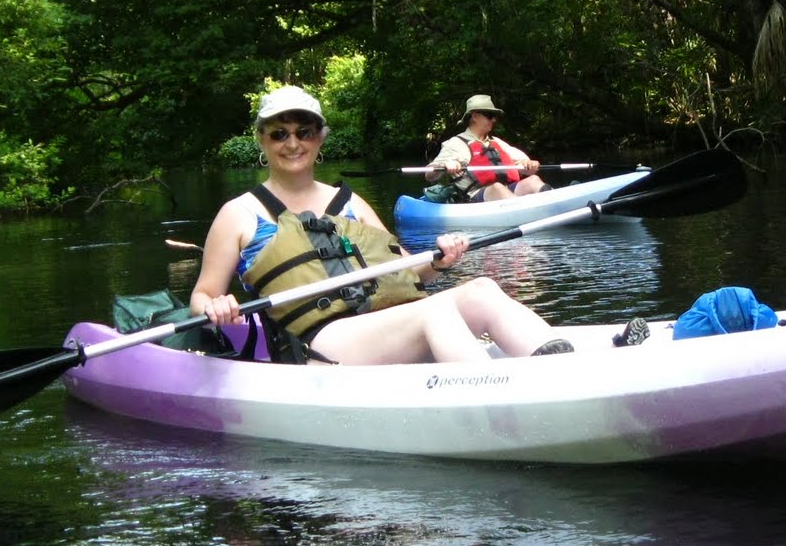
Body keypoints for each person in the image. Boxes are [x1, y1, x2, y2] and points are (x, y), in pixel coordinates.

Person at [191, 85, 572, 364]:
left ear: (320, 138)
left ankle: (564, 370)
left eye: (304, 131)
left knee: (482, 290)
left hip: (386, 323)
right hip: (318, 343)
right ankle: (503, 399)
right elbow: (201, 297)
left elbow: (409, 272)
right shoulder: (239, 213)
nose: (293, 143)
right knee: (434, 312)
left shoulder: (351, 203)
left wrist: (439, 260)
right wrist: (216, 306)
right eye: (279, 133)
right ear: (262, 139)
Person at [425, 95, 547, 202]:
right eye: (490, 115)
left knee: (533, 180)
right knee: (497, 188)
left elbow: (528, 170)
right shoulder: (456, 144)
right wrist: (444, 165)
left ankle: (552, 205)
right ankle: (525, 213)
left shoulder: (496, 142)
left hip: (507, 193)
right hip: (475, 198)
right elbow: (429, 175)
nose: (494, 119)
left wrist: (530, 165)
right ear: (475, 116)